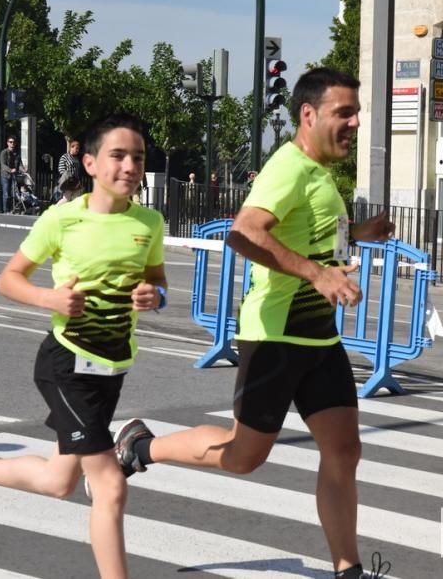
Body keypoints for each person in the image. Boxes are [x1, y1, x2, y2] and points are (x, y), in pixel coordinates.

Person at [114, 67, 394, 579]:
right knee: (244, 456)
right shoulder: (287, 167)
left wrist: (358, 235)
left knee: (344, 449)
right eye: (344, 113)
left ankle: (347, 569)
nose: (355, 122)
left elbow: (309, 236)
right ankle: (141, 445)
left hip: (318, 337)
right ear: (308, 115)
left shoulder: (318, 173)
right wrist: (316, 275)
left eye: (357, 113)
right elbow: (243, 234)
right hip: (275, 336)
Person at [0, 114, 168, 579]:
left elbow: (156, 284)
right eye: (118, 155)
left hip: (112, 368)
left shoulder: (149, 222)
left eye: (137, 156)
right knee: (110, 487)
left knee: (59, 482)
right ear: (90, 163)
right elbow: (8, 279)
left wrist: (155, 297)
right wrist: (49, 297)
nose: (130, 165)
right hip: (66, 364)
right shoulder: (62, 218)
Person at [55, 137, 83, 205]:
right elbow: (61, 169)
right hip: (68, 181)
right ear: (71, 148)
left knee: (75, 200)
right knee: (66, 199)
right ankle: (55, 210)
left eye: (78, 149)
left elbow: (78, 170)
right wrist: (69, 177)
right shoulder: (65, 157)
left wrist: (79, 180)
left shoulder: (76, 158)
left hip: (76, 182)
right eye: (76, 148)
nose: (77, 150)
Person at [0, 135, 21, 212]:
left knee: (13, 193)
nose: (12, 144)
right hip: (5, 175)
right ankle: (6, 210)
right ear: (7, 143)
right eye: (10, 142)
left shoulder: (16, 154)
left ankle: (12, 209)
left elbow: (19, 164)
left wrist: (24, 170)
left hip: (14, 176)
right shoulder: (4, 152)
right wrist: (10, 170)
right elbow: (3, 164)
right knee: (6, 193)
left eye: (13, 142)